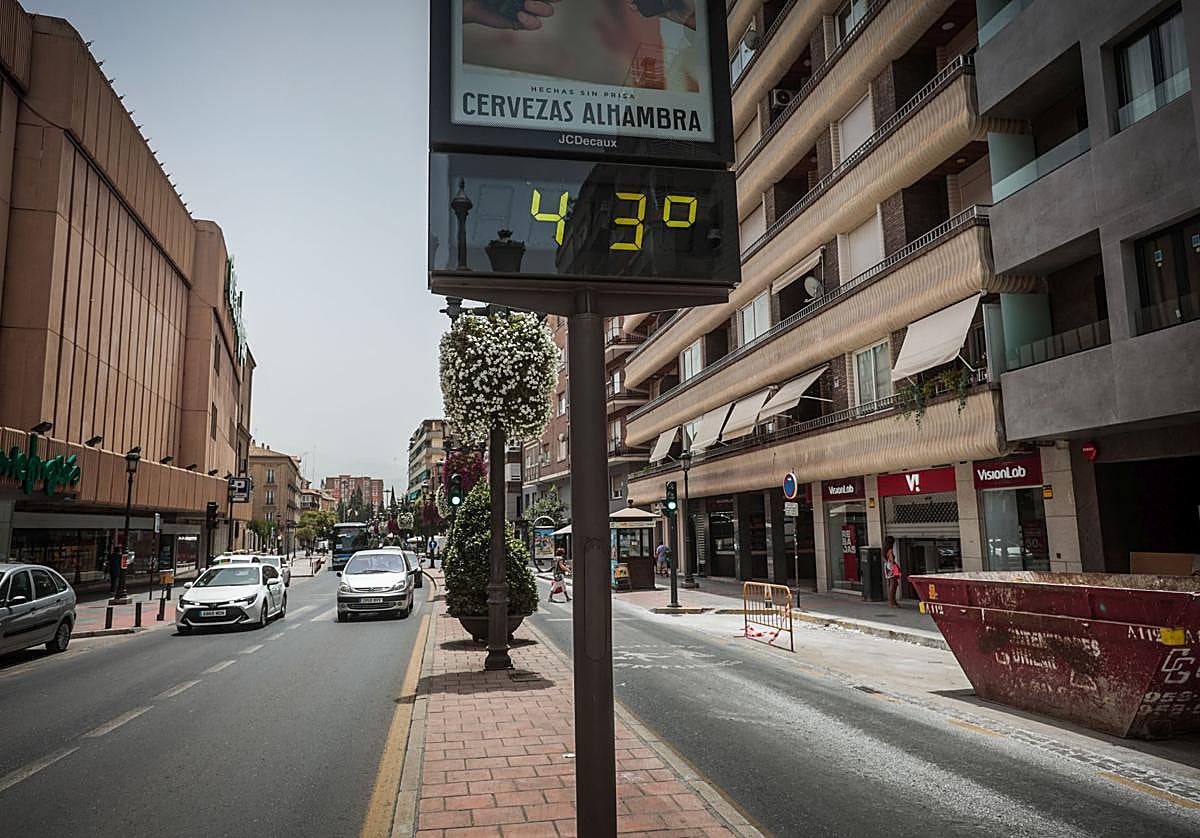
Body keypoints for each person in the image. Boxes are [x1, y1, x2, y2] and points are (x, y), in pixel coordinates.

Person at [884, 536, 901, 607]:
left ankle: (893, 601)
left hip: (887, 566)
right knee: (893, 584)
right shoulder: (890, 550)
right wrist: (896, 567)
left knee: (893, 583)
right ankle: (892, 602)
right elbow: (892, 560)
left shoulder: (884, 549)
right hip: (891, 567)